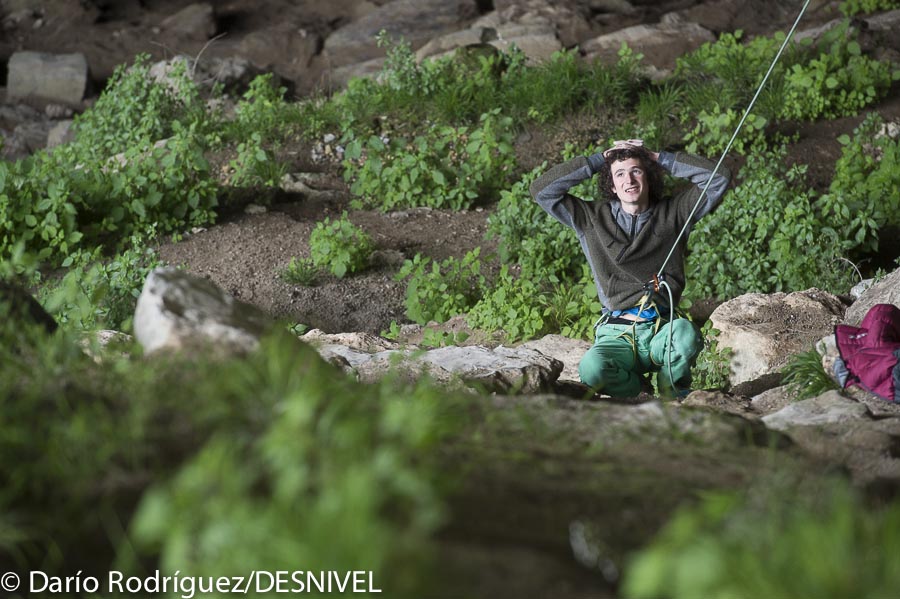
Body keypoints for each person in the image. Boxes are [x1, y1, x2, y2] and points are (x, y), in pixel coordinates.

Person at [529, 139, 731, 397]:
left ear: (648, 177)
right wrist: (597, 160)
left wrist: (658, 157)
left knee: (686, 334)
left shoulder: (675, 212)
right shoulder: (590, 218)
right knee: (592, 369)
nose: (629, 180)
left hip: (661, 327)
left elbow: (719, 177)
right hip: (617, 333)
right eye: (620, 174)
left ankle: (674, 397)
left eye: (636, 170)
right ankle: (638, 394)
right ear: (612, 185)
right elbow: (541, 190)